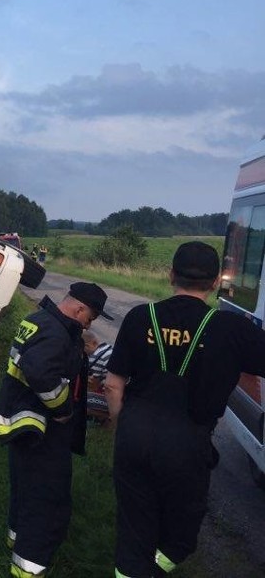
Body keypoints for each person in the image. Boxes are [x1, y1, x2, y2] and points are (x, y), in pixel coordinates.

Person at [105, 241, 265, 577]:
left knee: (134, 527)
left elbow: (112, 384)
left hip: (134, 435)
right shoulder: (233, 329)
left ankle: (136, 569)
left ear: (170, 275)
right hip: (186, 445)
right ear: (216, 282)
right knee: (182, 530)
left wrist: (122, 427)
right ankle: (157, 567)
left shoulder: (139, 317)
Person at [0, 281, 113, 577]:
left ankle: (17, 543)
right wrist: (61, 410)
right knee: (46, 501)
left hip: (24, 426)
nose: (90, 324)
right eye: (92, 317)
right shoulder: (56, 333)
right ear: (79, 308)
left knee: (25, 491)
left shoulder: (38, 320)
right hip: (42, 431)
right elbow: (40, 372)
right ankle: (29, 569)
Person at [83, 330, 114, 423]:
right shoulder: (108, 348)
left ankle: (110, 417)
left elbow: (93, 385)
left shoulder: (95, 358)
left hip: (116, 399)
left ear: (90, 345)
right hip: (126, 394)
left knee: (83, 400)